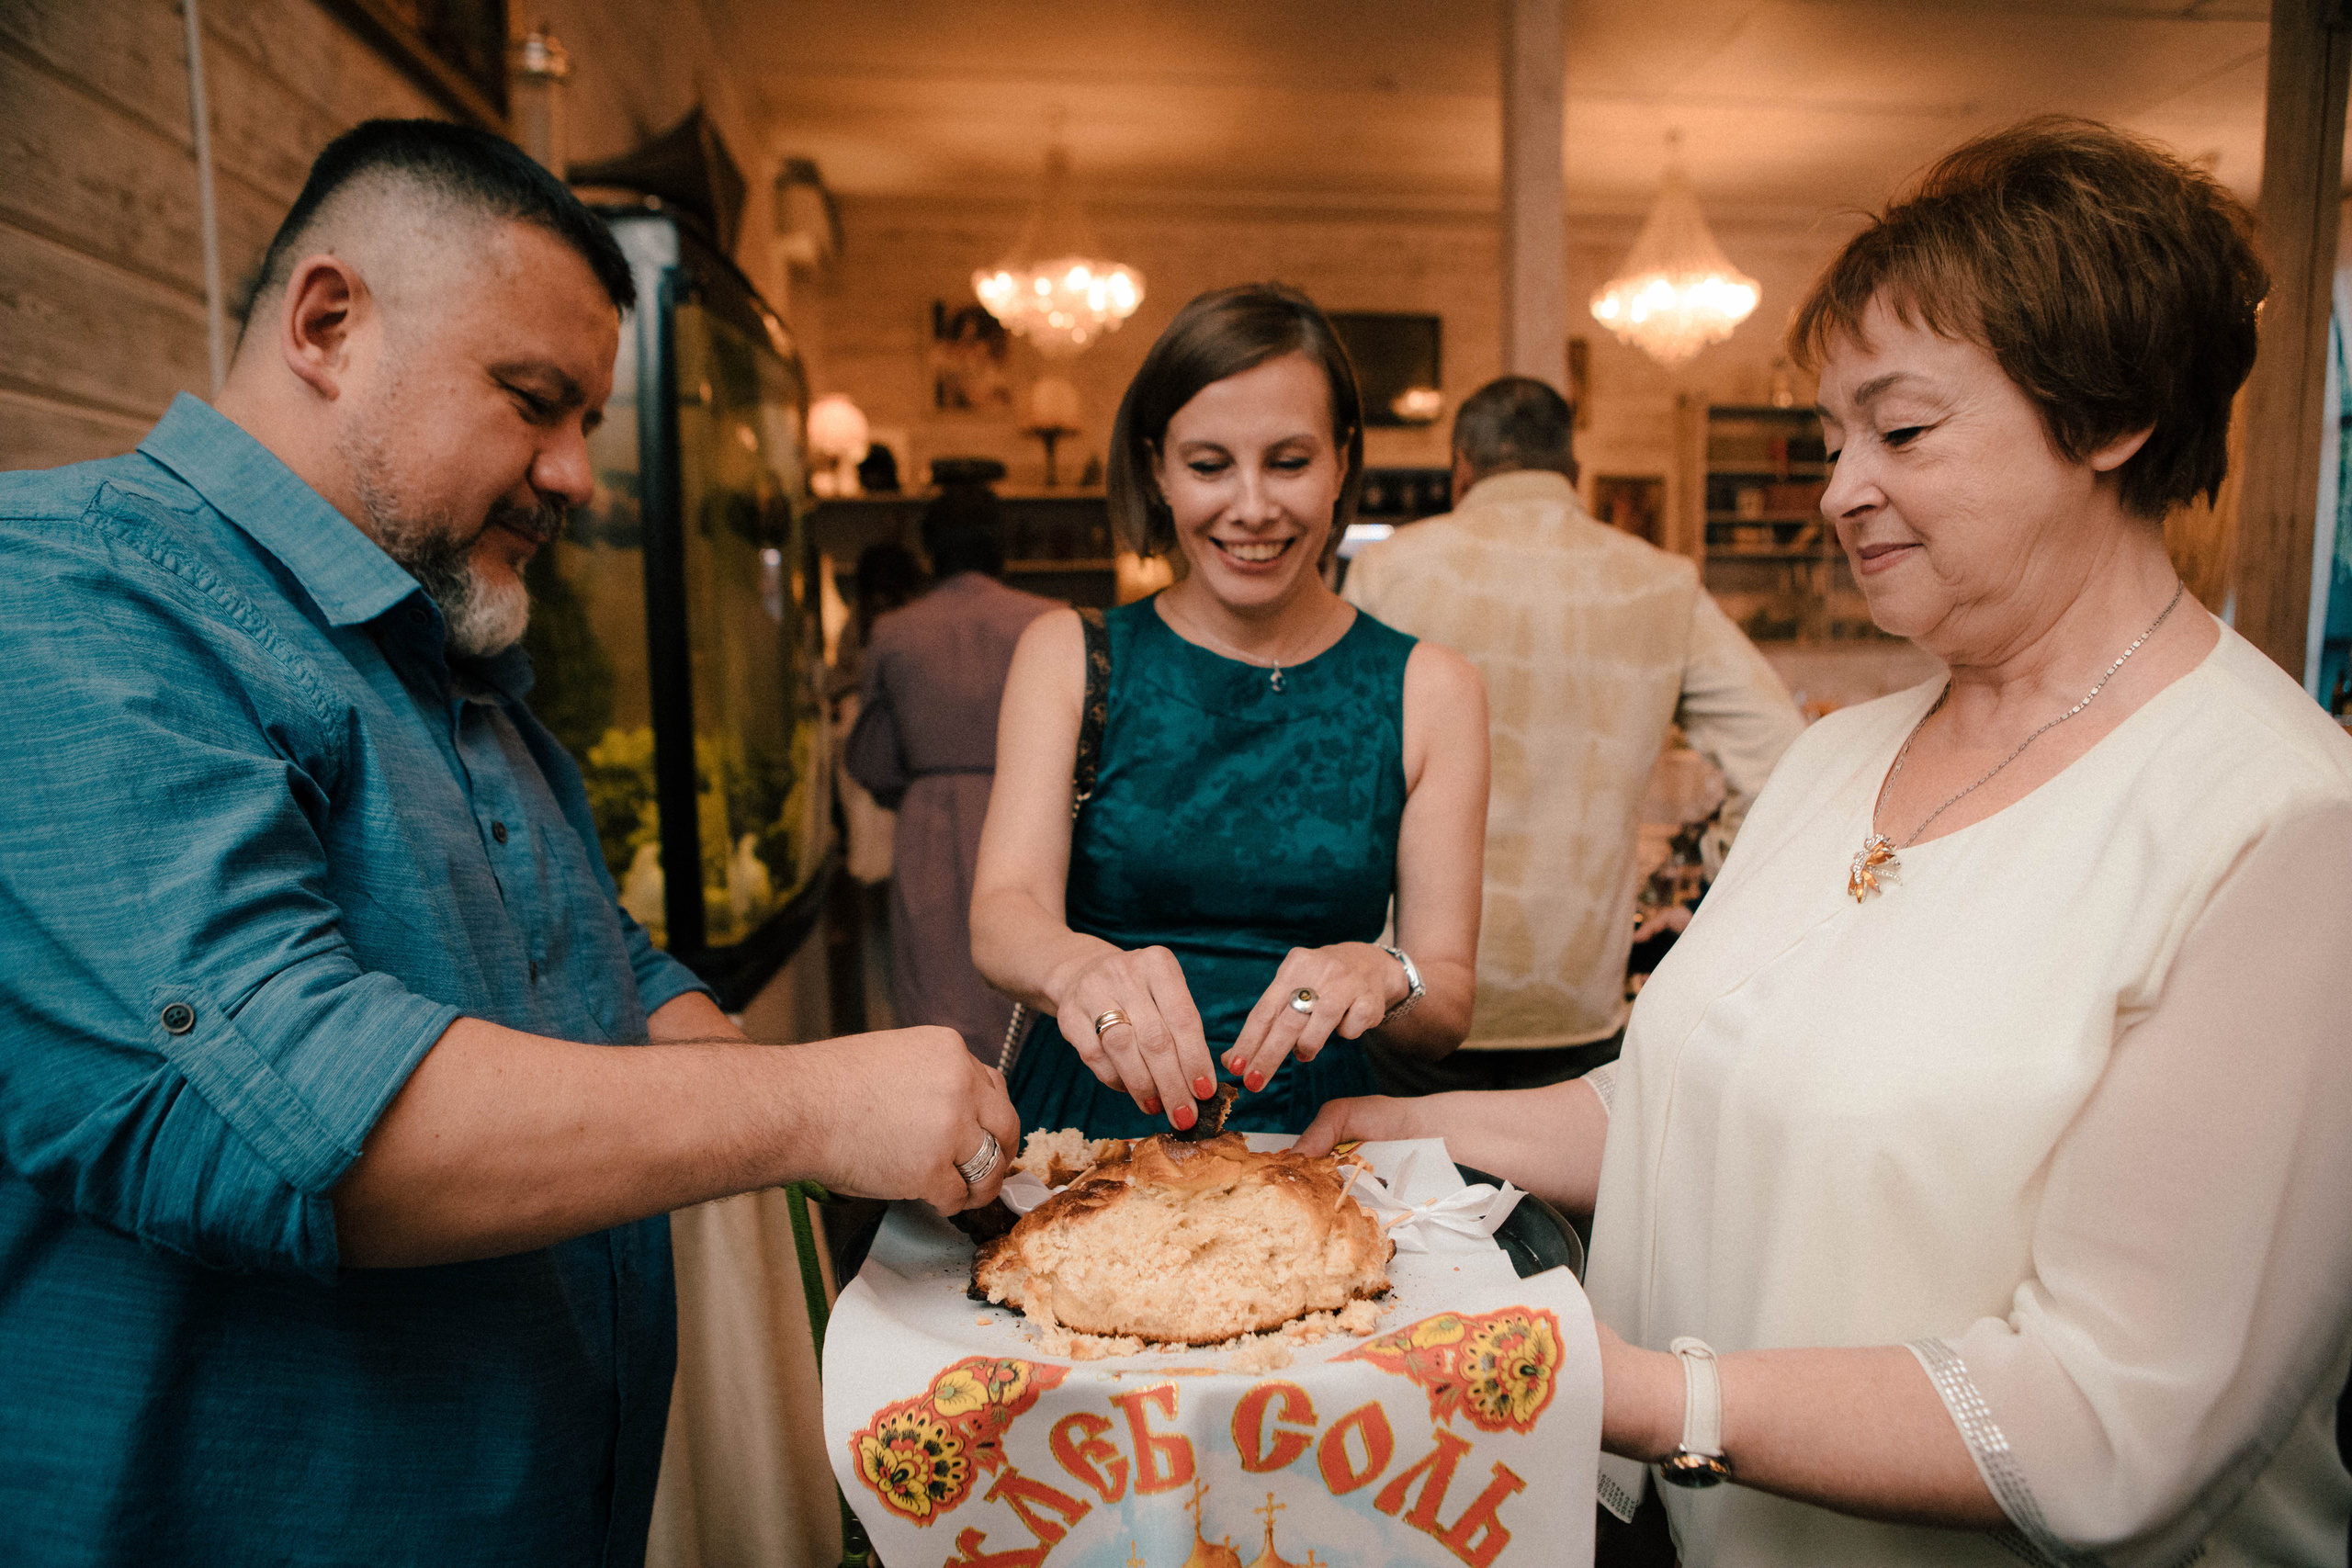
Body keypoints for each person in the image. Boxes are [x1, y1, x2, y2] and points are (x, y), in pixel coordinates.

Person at [1301, 118, 2352, 1564]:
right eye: (1830, 437)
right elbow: (1690, 1099)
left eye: (1901, 431)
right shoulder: (1838, 753)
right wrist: (1408, 1125)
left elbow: (2111, 1416)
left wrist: (1632, 1391)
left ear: (2108, 419)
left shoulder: (2282, 824)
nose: (1838, 487)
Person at [0, 120, 1013, 1565]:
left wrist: (708, 1032)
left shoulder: (459, 674)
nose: (576, 473)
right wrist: (810, 1105)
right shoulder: (69, 591)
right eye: (533, 400)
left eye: (589, 418)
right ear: (328, 324)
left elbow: (602, 964)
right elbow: (286, 1107)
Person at [971, 283, 1489, 1137]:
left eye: (1288, 461)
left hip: (1315, 1133)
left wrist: (1388, 974)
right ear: (1156, 469)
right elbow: (1002, 912)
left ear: (1342, 464)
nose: (1252, 506)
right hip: (1089, 1120)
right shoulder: (1069, 652)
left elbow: (1448, 1000)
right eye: (1210, 465)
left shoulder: (1433, 689)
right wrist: (1079, 970)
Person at [1343, 376, 1803, 1091]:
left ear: (1461, 466)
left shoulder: (1386, 571)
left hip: (1410, 1002)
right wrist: (1708, 879)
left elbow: (1335, 776)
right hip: (1578, 1002)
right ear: (1574, 471)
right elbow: (1786, 759)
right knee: (1567, 1208)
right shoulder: (1661, 582)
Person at [845, 486, 1057, 1057]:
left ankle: (959, 1134)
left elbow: (870, 755)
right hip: (1039, 813)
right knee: (1035, 986)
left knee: (936, 991)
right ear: (1002, 547)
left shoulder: (894, 630)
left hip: (930, 822)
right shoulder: (1052, 621)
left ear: (929, 551)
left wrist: (917, 785)